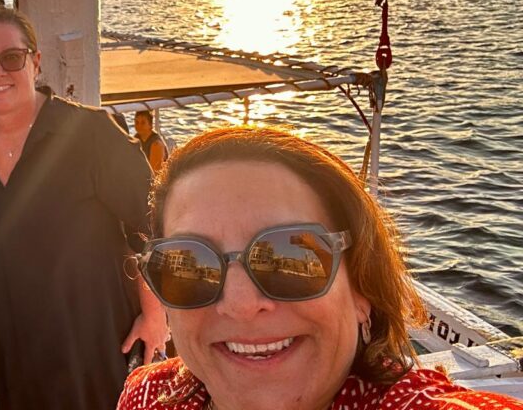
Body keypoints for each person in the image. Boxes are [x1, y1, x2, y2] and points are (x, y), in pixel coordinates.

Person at [118, 126, 523, 410]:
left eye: (291, 259)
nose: (240, 305)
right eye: (190, 267)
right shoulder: (147, 396)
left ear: (361, 289)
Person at [0, 5, 170, 410]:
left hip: (100, 347)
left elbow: (153, 225)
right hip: (14, 359)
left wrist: (155, 316)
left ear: (35, 62)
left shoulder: (91, 133)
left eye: (11, 58)